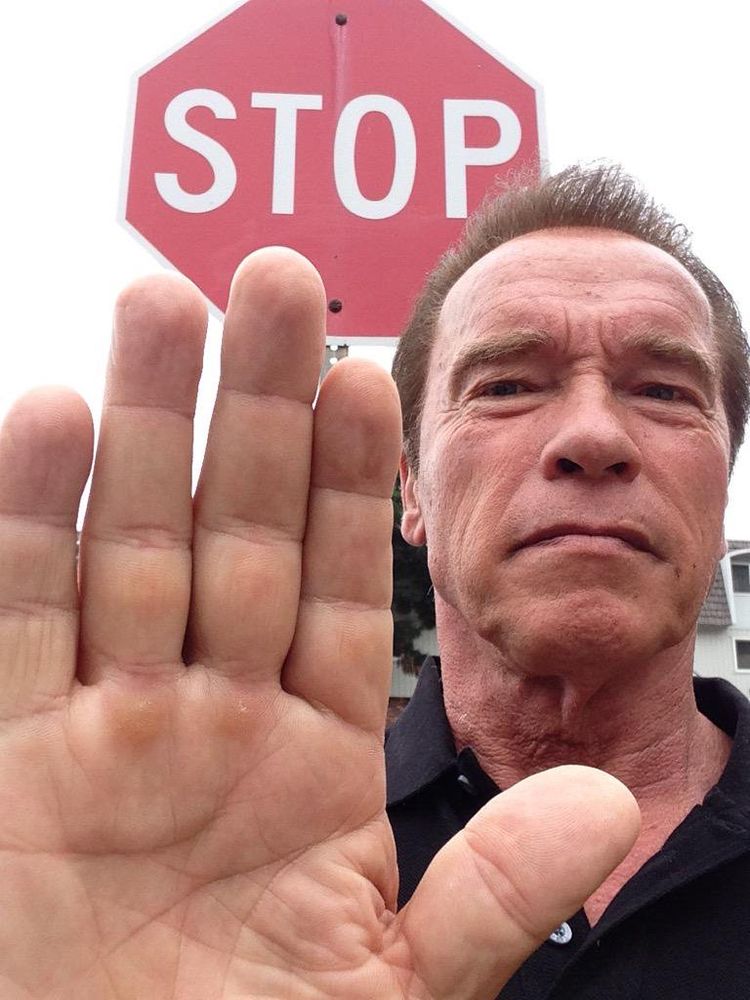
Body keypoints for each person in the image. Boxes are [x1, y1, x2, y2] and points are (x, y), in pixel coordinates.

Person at [0, 162, 739, 999]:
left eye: (663, 390)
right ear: (411, 490)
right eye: (505, 385)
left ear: (723, 489)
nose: (594, 434)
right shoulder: (218, 839)